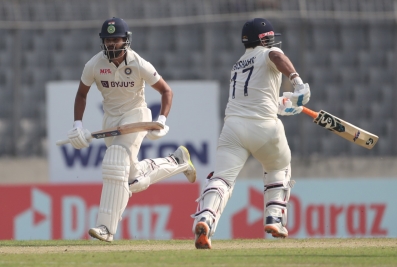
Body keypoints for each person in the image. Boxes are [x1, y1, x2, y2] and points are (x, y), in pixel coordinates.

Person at [66, 17, 197, 242]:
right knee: (132, 179)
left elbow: (166, 91)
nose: (111, 44)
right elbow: (81, 94)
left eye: (116, 39)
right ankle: (177, 161)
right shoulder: (94, 64)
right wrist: (78, 124)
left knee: (115, 161)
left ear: (126, 40)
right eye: (107, 40)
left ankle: (106, 228)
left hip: (137, 116)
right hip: (111, 121)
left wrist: (162, 120)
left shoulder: (139, 63)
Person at [191, 18, 310, 249]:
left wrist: (280, 103)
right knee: (278, 167)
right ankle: (275, 218)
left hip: (232, 128)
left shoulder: (238, 63)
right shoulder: (271, 52)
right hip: (264, 126)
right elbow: (277, 56)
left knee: (222, 178)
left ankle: (205, 218)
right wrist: (297, 82)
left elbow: (254, 96)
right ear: (263, 39)